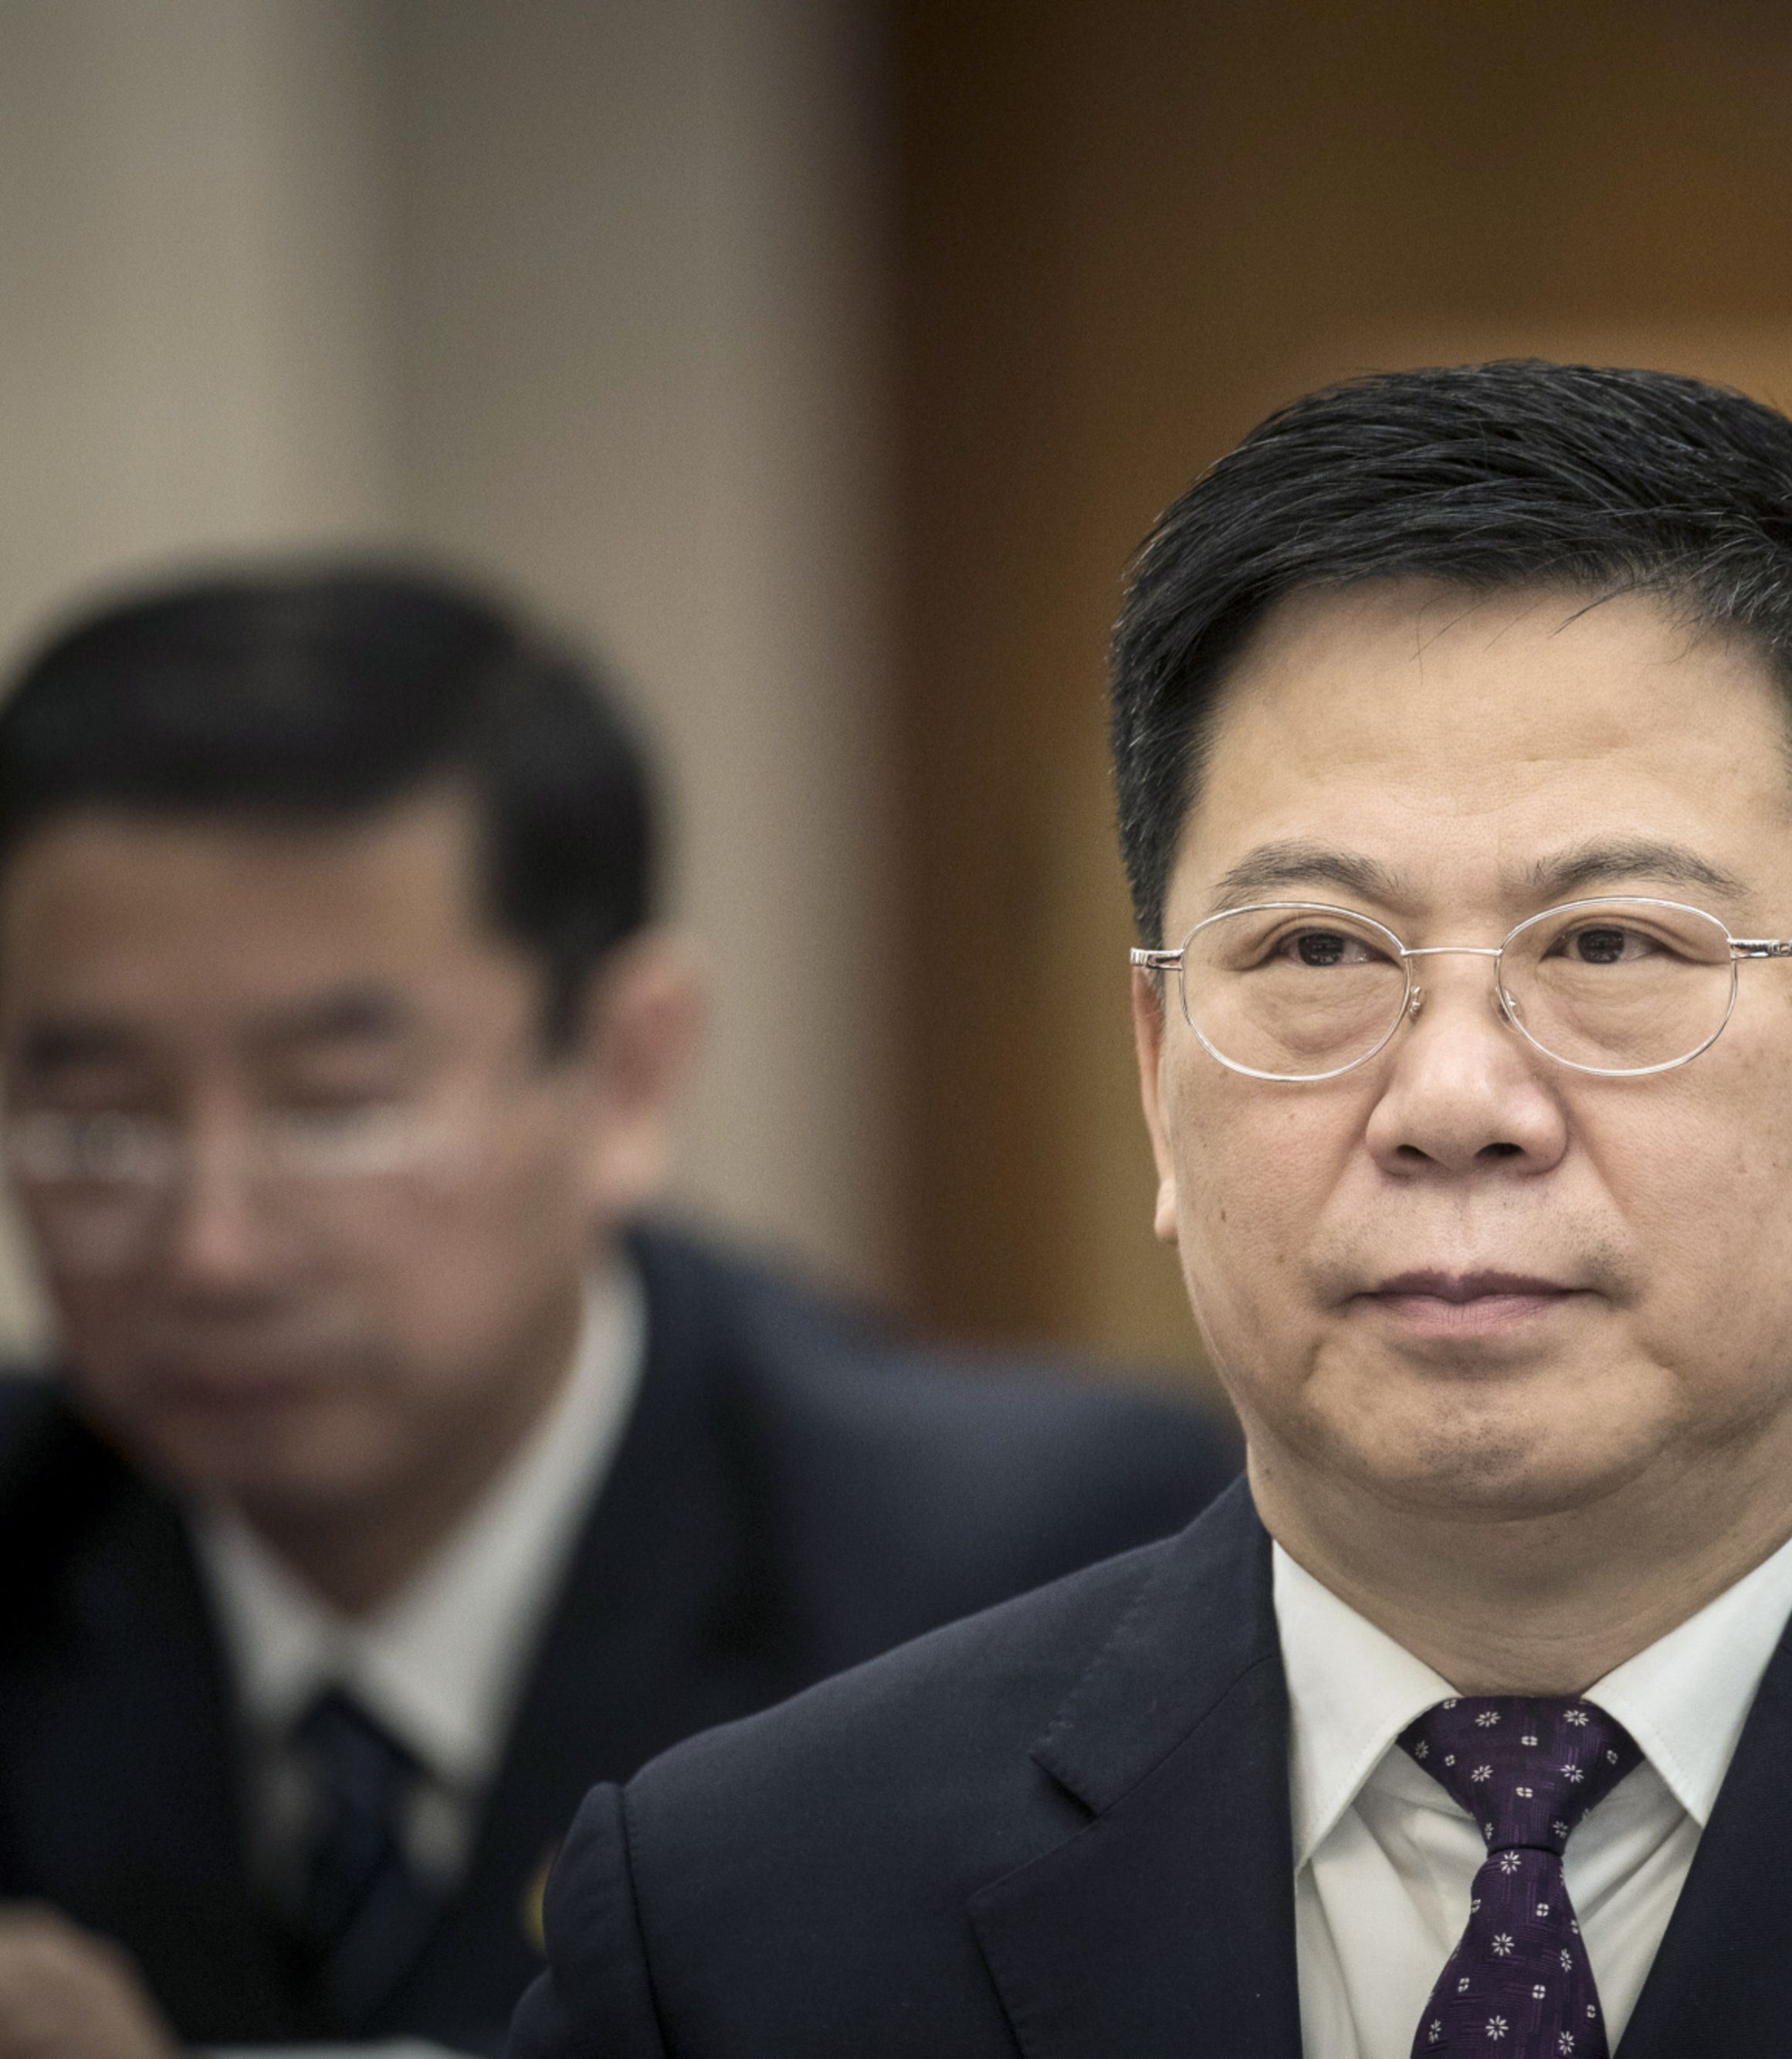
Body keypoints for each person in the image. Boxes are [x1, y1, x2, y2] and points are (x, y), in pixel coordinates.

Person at [506, 360, 1792, 2059]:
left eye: (1612, 948)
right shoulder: (739, 1919)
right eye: (1318, 955)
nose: (1451, 1101)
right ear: (1160, 1082)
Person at [0, 567, 1238, 2057]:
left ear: (627, 1070)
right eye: (97, 1123)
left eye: (334, 1108)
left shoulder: (1049, 1571)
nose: (211, 1249)